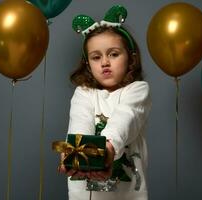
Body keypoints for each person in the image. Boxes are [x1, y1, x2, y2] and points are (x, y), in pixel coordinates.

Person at [59, 5, 151, 200]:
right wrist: (74, 153)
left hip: (127, 195)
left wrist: (107, 149)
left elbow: (125, 118)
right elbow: (80, 123)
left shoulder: (137, 90)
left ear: (131, 59)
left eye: (114, 54)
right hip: (85, 194)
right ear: (88, 64)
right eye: (96, 57)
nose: (105, 63)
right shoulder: (84, 93)